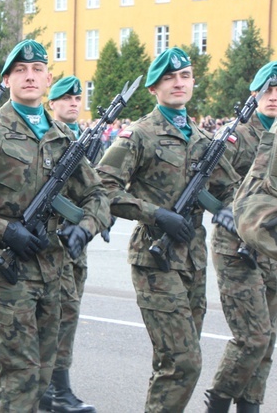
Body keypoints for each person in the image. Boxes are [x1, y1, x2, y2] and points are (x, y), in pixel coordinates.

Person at [0, 39, 110, 411]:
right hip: (7, 272)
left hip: (53, 270)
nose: (29, 76)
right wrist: (3, 229)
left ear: (47, 78)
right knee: (18, 376)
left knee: (42, 376)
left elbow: (98, 195)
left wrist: (84, 227)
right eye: (20, 70)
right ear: (7, 79)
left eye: (37, 70)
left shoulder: (63, 136)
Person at [95, 47, 239, 413]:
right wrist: (155, 214)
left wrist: (232, 209)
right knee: (184, 361)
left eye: (185, 76)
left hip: (193, 259)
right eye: (168, 78)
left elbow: (231, 191)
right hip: (154, 260)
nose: (178, 83)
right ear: (153, 89)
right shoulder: (139, 135)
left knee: (172, 363)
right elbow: (102, 188)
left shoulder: (204, 141)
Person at [207, 61, 277, 412]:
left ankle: (250, 406)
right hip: (235, 246)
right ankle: (218, 402)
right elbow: (208, 182)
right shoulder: (237, 135)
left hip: (271, 247)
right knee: (253, 337)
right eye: (268, 89)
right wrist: (225, 209)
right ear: (255, 93)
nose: (275, 97)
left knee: (267, 342)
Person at [39, 75, 96, 413]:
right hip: (48, 242)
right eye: (66, 99)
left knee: (68, 315)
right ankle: (58, 391)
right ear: (52, 104)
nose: (74, 103)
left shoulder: (78, 139)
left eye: (78, 98)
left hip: (74, 243)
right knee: (56, 316)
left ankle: (53, 387)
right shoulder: (48, 140)